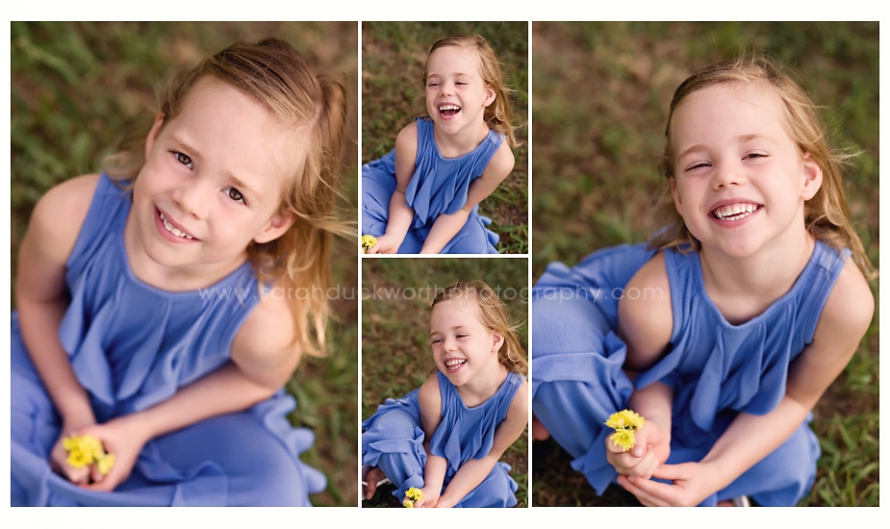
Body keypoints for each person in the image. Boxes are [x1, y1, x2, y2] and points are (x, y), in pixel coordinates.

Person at [11, 38, 349, 506]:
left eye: (235, 194)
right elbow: (35, 299)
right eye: (184, 159)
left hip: (177, 423)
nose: (189, 202)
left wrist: (138, 428)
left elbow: (258, 381)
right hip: (52, 369)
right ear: (157, 135)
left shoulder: (262, 322)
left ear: (273, 222)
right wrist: (73, 411)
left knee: (273, 491)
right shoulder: (69, 215)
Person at [531, 56, 876, 507]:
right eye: (698, 165)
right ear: (678, 196)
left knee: (789, 463)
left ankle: (617, 449)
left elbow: (794, 400)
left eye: (754, 154)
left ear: (806, 176)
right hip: (611, 322)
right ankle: (594, 429)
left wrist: (716, 472)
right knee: (550, 342)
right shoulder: (652, 298)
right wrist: (649, 427)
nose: (726, 177)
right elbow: (646, 375)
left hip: (720, 399)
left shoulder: (844, 301)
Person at [362, 281, 528, 507]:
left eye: (460, 335)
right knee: (391, 435)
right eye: (437, 340)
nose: (447, 347)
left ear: (495, 340)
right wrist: (431, 486)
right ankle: (408, 479)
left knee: (495, 488)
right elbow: (434, 445)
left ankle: (397, 476)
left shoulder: (519, 401)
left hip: (467, 458)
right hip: (420, 436)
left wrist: (447, 502)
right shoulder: (433, 393)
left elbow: (489, 456)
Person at [362, 34, 517, 254]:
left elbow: (461, 209)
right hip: (395, 189)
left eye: (460, 82)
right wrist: (393, 237)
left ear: (487, 95)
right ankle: (400, 240)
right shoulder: (410, 140)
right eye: (434, 83)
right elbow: (401, 193)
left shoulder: (499, 160)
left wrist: (428, 254)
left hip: (452, 212)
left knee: (472, 248)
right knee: (357, 208)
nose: (445, 90)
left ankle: (416, 245)